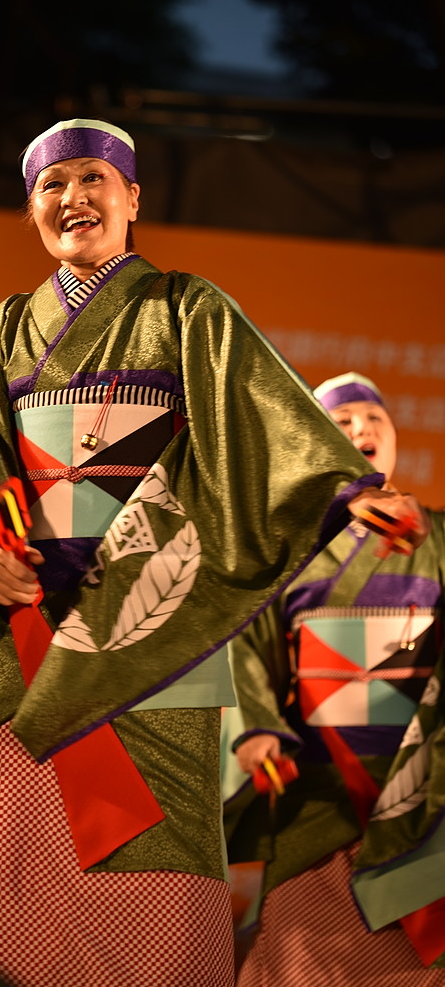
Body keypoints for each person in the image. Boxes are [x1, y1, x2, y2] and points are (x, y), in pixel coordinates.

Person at [0, 121, 426, 987]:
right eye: (52, 185)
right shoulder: (5, 329)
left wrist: (344, 487)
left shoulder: (186, 308)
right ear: (30, 208)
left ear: (132, 197)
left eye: (94, 179)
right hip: (29, 625)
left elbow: (261, 418)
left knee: (159, 870)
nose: (73, 198)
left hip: (155, 626)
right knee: (17, 869)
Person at [223, 371, 445, 986]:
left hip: (422, 787)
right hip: (317, 793)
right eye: (342, 422)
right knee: (298, 958)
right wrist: (257, 730)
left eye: (375, 419)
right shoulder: (287, 550)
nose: (362, 428)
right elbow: (249, 647)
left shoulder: (440, 537)